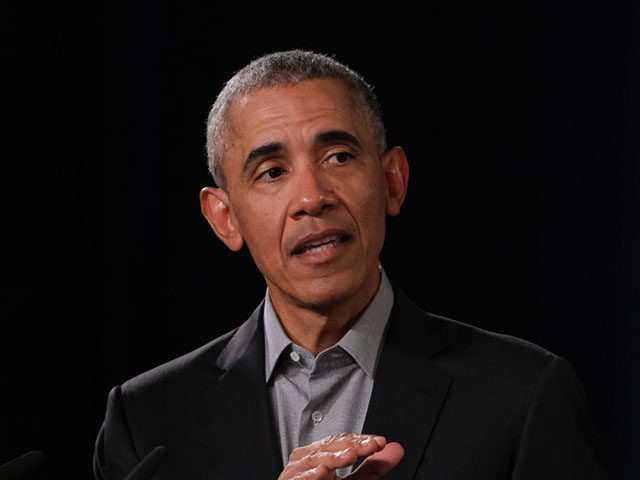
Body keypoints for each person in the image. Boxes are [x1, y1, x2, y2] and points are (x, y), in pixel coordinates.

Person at [93, 49, 610, 480]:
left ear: (392, 182)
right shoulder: (147, 421)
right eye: (272, 172)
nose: (312, 197)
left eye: (339, 156)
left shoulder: (523, 396)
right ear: (225, 218)